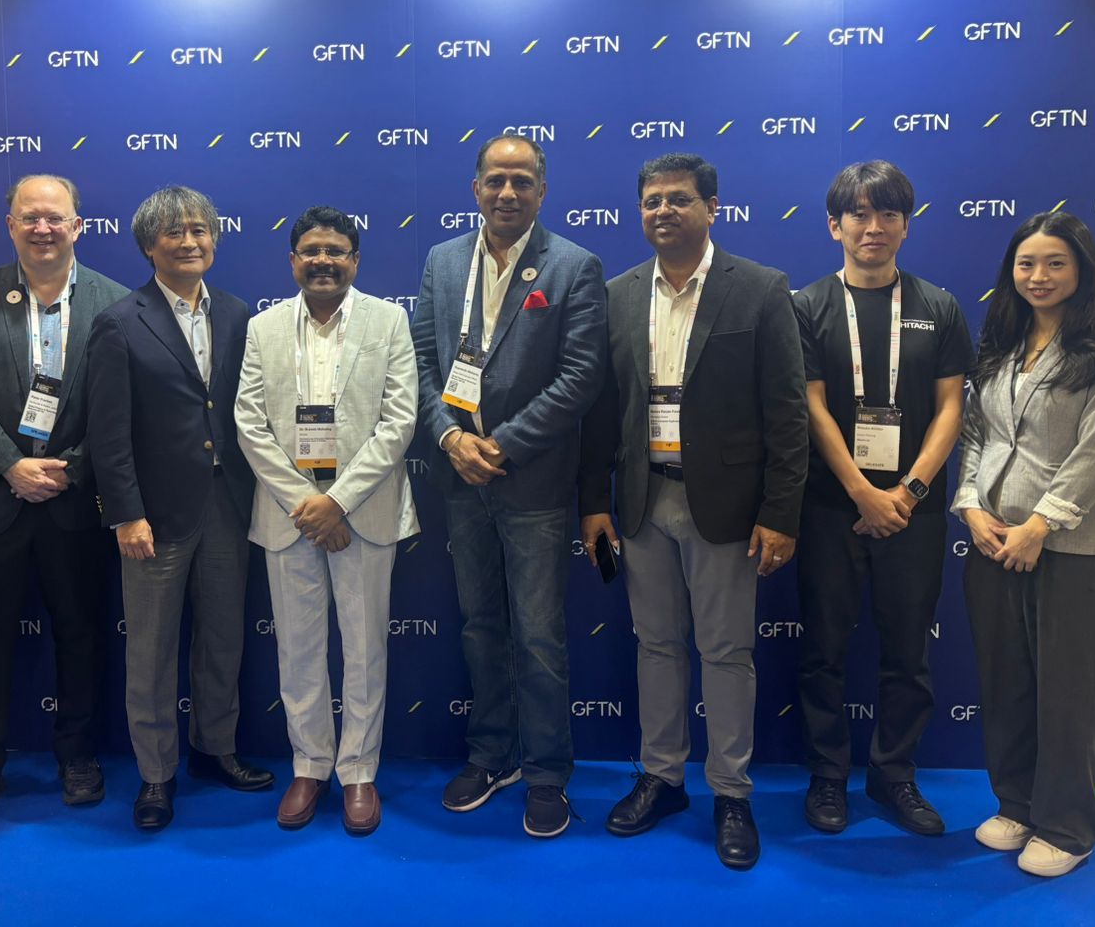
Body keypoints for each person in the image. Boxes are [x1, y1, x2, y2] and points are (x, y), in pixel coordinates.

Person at [579, 153, 806, 871]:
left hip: (727, 507)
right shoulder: (617, 295)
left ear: (712, 208)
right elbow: (600, 412)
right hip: (643, 500)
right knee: (656, 645)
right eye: (651, 201)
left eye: (679, 199)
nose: (663, 211)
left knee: (727, 651)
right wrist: (593, 503)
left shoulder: (761, 289)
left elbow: (788, 414)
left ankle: (731, 793)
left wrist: (781, 512)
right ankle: (663, 778)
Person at [411, 134, 606, 839]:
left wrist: (504, 444)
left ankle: (547, 771)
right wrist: (450, 439)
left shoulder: (574, 265)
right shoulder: (443, 261)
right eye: (496, 179)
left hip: (532, 482)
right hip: (460, 478)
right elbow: (419, 363)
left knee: (541, 635)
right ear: (476, 188)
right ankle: (491, 754)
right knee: (480, 626)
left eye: (522, 181)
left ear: (542, 192)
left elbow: (581, 376)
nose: (508, 192)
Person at [0, 175, 128, 833]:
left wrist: (71, 468)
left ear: (78, 226)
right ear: (10, 225)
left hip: (74, 502)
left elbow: (116, 403)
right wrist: (10, 465)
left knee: (80, 635)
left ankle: (77, 755)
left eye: (55, 217)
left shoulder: (113, 300)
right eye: (29, 217)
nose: (42, 228)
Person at [953, 211, 1095, 878]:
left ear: (1081, 270)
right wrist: (970, 506)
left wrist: (1040, 525)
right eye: (1027, 263)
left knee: (1068, 695)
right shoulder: (1001, 346)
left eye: (1055, 263)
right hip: (992, 545)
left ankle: (1067, 826)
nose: (1039, 276)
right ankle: (1018, 804)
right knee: (1006, 686)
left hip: (1070, 551)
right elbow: (976, 435)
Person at [791, 162, 973, 837]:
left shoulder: (939, 306)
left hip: (912, 513)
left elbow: (952, 407)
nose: (874, 227)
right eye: (860, 215)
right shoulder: (807, 306)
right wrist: (863, 493)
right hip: (831, 507)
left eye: (889, 214)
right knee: (823, 649)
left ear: (906, 225)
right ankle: (827, 775)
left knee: (907, 651)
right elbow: (811, 407)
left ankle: (894, 774)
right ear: (834, 225)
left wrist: (907, 492)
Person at [86, 186, 273, 833]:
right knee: (151, 649)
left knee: (223, 638)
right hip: (153, 515)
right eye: (174, 232)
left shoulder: (238, 313)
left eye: (200, 230)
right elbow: (107, 432)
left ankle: (215, 749)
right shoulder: (119, 321)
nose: (190, 241)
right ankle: (156, 773)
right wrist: (125, 513)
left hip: (228, 503)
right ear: (149, 246)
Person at [234, 207, 418, 835]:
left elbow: (399, 421)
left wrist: (337, 501)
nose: (323, 261)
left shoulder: (389, 321)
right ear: (292, 261)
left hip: (363, 510)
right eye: (311, 251)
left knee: (365, 649)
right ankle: (309, 765)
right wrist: (306, 504)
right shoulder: (262, 328)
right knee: (298, 648)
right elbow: (249, 423)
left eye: (336, 251)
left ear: (355, 261)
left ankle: (359, 770)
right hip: (288, 515)